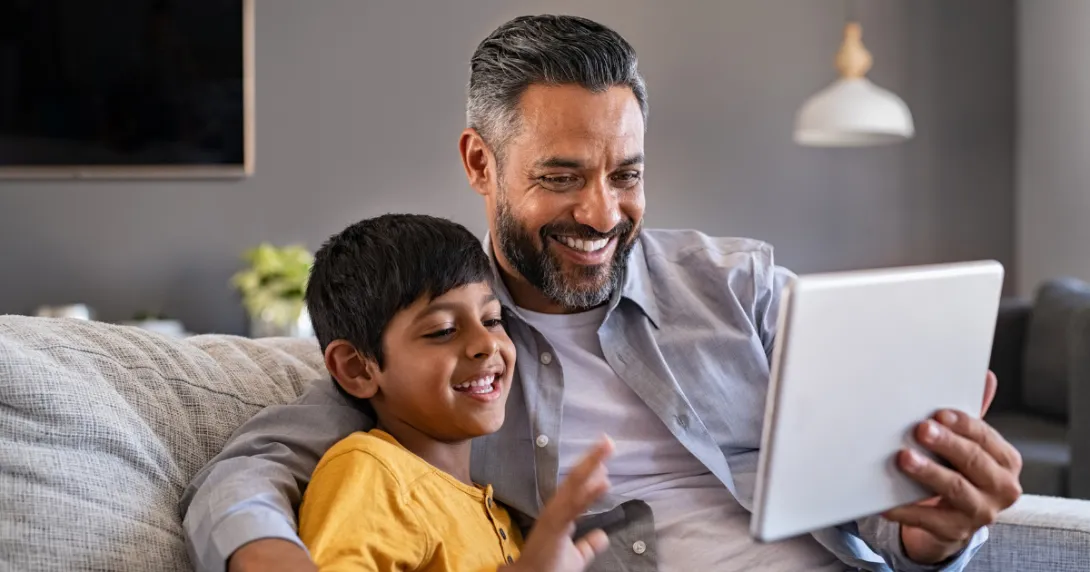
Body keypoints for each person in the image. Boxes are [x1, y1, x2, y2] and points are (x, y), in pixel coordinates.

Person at [181, 14, 1023, 572]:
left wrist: (933, 529)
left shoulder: (744, 289)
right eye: (561, 177)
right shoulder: (452, 351)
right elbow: (250, 469)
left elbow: (878, 503)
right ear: (481, 164)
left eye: (627, 175)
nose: (600, 212)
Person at [295, 213, 614, 572]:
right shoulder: (371, 471)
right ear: (356, 367)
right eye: (443, 330)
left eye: (492, 320)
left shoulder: (497, 509)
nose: (486, 344)